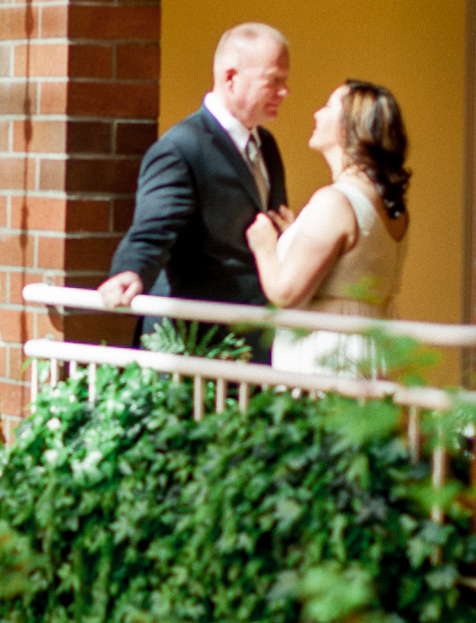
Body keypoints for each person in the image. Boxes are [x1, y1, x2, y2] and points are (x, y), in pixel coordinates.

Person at [99, 20, 293, 353]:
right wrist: (129, 270)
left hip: (250, 341)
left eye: (285, 82)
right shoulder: (182, 148)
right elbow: (154, 229)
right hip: (193, 345)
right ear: (231, 78)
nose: (284, 92)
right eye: (273, 81)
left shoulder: (267, 146)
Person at [247, 80, 412, 375]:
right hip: (371, 354)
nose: (316, 114)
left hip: (330, 358)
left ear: (350, 126)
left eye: (328, 106)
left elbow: (285, 293)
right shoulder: (390, 206)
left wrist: (265, 245)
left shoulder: (334, 202)